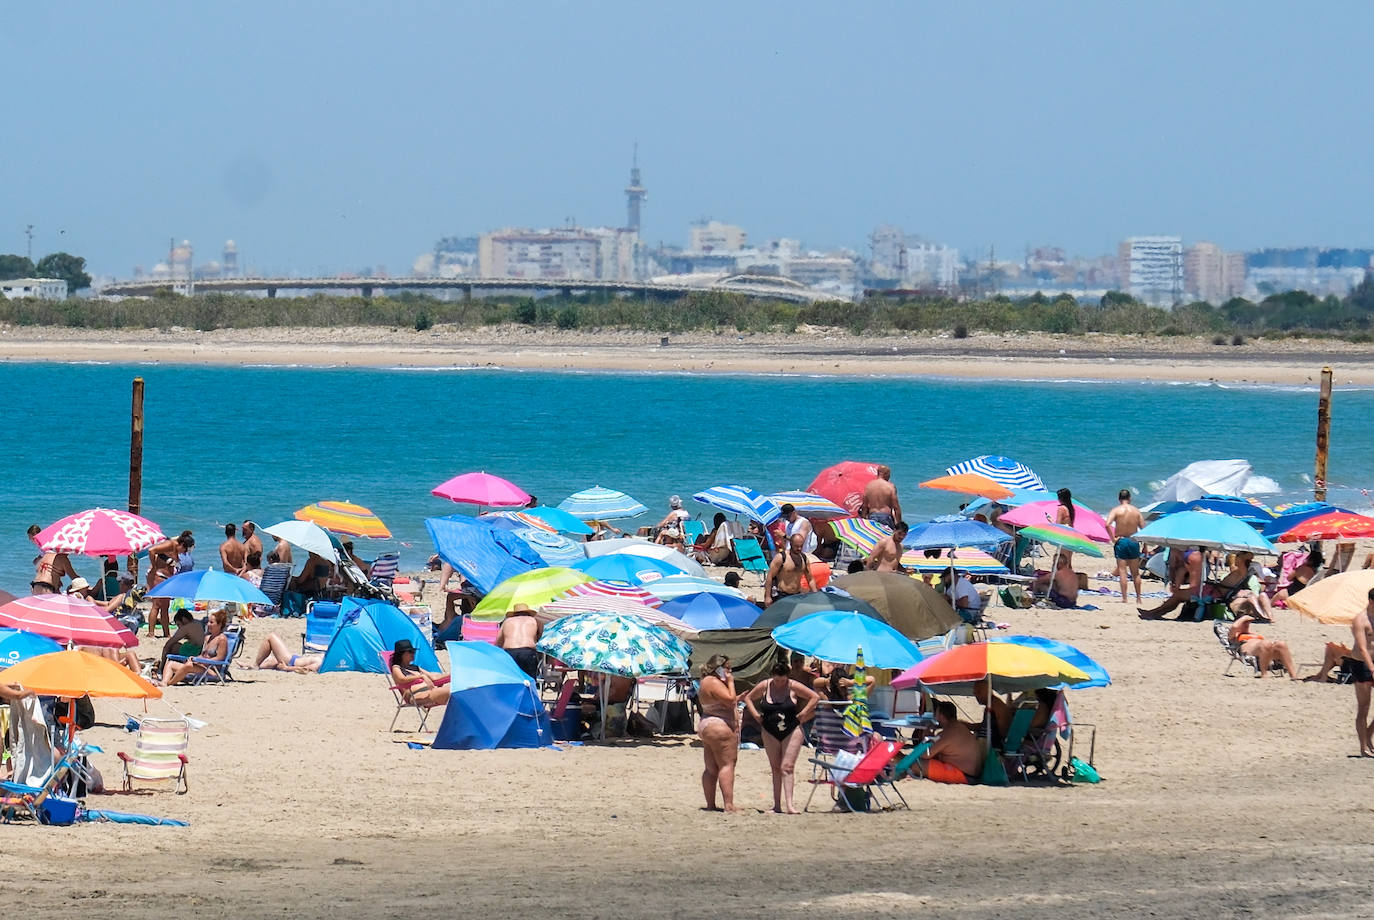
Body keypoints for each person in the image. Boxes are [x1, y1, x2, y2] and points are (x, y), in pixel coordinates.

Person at [744, 654, 820, 814]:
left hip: (791, 729)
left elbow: (815, 697)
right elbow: (748, 698)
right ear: (772, 677)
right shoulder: (765, 686)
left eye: (782, 680)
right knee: (775, 768)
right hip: (769, 730)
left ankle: (790, 805)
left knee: (787, 767)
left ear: (787, 677)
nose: (779, 683)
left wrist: (804, 713)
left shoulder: (793, 685)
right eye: (777, 680)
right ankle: (777, 805)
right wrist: (756, 716)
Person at [696, 654, 740, 812]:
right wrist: (731, 682)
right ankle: (729, 804)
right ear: (719, 668)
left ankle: (710, 804)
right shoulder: (714, 682)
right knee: (727, 765)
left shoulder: (705, 682)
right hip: (719, 726)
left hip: (707, 724)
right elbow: (730, 700)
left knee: (710, 768)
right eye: (727, 668)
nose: (729, 671)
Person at [160, 608, 229, 686]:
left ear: (219, 624)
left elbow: (220, 658)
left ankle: (170, 683)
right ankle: (164, 682)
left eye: (211, 622)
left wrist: (202, 661)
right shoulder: (207, 638)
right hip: (201, 667)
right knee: (170, 663)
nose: (208, 624)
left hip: (213, 670)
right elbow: (203, 655)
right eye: (208, 622)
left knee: (188, 666)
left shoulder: (222, 639)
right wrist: (194, 658)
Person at [144, 531, 194, 637]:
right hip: (158, 575)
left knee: (165, 606)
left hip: (166, 578)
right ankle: (151, 632)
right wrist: (153, 566)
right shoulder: (170, 544)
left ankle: (166, 633)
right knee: (157, 605)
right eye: (184, 550)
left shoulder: (175, 547)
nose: (183, 553)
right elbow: (151, 550)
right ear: (182, 545)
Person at [919, 700, 981, 784]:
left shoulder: (948, 732)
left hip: (964, 775)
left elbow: (925, 755)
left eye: (936, 714)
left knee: (917, 764)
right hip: (972, 774)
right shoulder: (960, 727)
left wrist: (926, 737)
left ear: (940, 715)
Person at [1138, 545, 1204, 619]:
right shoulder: (1194, 556)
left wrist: (1173, 583)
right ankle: (1153, 613)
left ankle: (1153, 613)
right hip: (1194, 553)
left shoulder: (1184, 553)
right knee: (1180, 592)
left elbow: (1173, 567)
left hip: (1198, 591)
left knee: (1178, 595)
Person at [1227, 615, 1299, 680]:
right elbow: (1234, 627)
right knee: (1265, 643)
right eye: (1244, 623)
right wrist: (1244, 618)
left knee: (1281, 644)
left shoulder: (1254, 634)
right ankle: (1264, 674)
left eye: (1248, 622)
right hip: (1251, 652)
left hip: (1265, 651)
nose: (1246, 624)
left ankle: (1293, 675)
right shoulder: (1235, 636)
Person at [1106, 488, 1145, 603]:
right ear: (1130, 498)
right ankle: (1138, 598)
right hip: (1133, 540)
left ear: (1119, 499)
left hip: (1121, 541)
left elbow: (1107, 524)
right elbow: (1144, 529)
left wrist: (1113, 539)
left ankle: (1125, 598)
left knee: (1122, 571)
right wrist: (1146, 546)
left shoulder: (1116, 510)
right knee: (1135, 572)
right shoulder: (1136, 511)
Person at [389, 638, 450, 707]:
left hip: (430, 691)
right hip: (415, 695)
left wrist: (452, 675)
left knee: (458, 691)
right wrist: (421, 676)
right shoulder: (397, 668)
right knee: (453, 693)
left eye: (414, 651)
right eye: (410, 651)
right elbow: (401, 679)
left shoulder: (415, 667)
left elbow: (433, 677)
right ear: (402, 654)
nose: (413, 654)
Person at [1350, 591, 1374, 756]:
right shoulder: (1360, 620)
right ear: (1371, 601)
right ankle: (1363, 747)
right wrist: (1372, 668)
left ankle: (1368, 735)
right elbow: (1363, 647)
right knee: (1364, 706)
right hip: (1362, 664)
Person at [763, 532, 813, 606]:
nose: (799, 548)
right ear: (791, 544)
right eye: (796, 546)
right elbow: (770, 577)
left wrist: (815, 593)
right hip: (782, 595)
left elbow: (810, 579)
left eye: (801, 546)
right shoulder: (781, 558)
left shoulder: (804, 559)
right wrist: (767, 596)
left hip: (797, 595)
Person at [496, 602, 543, 677]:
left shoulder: (507, 622)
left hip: (510, 652)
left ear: (514, 613)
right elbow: (540, 639)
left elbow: (498, 642)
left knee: (511, 678)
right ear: (528, 612)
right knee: (529, 680)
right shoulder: (535, 621)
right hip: (527, 652)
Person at [250, 633, 323, 672]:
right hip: (294, 659)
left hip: (290, 662)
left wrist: (286, 668)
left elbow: (305, 670)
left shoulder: (319, 663)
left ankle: (255, 665)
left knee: (271, 637)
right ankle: (249, 665)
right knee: (270, 661)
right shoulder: (325, 659)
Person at [973, 680, 1013, 746]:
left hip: (993, 746)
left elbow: (1004, 731)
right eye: (975, 693)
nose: (976, 696)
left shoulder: (996, 706)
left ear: (988, 691)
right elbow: (985, 726)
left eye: (979, 692)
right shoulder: (990, 704)